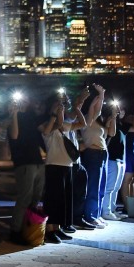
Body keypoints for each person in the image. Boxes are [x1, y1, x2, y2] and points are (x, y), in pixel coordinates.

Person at [41, 88, 89, 244]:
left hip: (67, 165)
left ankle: (57, 228)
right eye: (59, 103)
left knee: (63, 200)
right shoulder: (47, 125)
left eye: (63, 104)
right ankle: (49, 230)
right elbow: (53, 126)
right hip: (53, 164)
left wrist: (77, 108)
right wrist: (56, 113)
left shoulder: (66, 125)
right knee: (52, 199)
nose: (62, 106)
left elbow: (83, 123)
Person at [7, 92, 46, 245]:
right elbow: (15, 136)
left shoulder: (31, 117)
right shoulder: (12, 118)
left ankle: (30, 228)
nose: (22, 101)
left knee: (36, 198)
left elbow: (42, 134)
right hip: (23, 163)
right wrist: (14, 114)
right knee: (24, 198)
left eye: (24, 98)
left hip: (37, 161)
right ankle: (15, 231)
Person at [78, 86, 112, 230]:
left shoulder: (97, 121)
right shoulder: (87, 120)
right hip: (92, 154)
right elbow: (95, 110)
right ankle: (90, 216)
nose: (99, 105)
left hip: (102, 154)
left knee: (101, 186)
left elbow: (97, 111)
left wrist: (101, 94)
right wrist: (99, 96)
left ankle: (96, 214)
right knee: (93, 186)